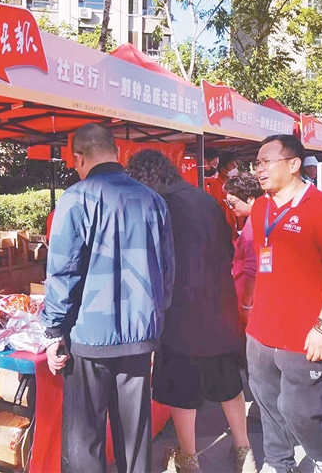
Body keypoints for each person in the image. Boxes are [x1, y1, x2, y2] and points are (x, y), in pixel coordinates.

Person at [40, 123, 175, 473]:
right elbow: (166, 271)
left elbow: (63, 271)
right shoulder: (153, 201)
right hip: (139, 334)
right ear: (117, 153)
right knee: (135, 434)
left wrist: (54, 331)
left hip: (88, 336)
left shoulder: (75, 199)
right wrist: (154, 318)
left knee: (85, 439)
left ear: (79, 158)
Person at [126, 150, 255, 473]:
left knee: (181, 387)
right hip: (220, 305)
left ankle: (188, 457)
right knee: (228, 382)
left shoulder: (159, 206)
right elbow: (227, 247)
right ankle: (244, 449)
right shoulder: (205, 200)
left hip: (180, 312)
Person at [248, 134, 322, 473]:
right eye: (257, 163)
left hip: (305, 334)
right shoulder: (261, 207)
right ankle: (278, 463)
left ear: (294, 164)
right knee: (267, 406)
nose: (259, 170)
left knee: (302, 411)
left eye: (266, 162)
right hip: (261, 330)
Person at [223, 172, 265, 326]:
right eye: (227, 202)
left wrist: (246, 306)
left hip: (247, 299)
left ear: (251, 199)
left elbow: (252, 272)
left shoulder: (252, 229)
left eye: (233, 202)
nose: (230, 207)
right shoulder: (259, 219)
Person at [207, 151, 243, 238]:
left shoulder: (235, 184)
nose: (236, 168)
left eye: (236, 165)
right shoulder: (216, 186)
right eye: (232, 165)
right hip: (224, 231)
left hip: (236, 230)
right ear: (223, 169)